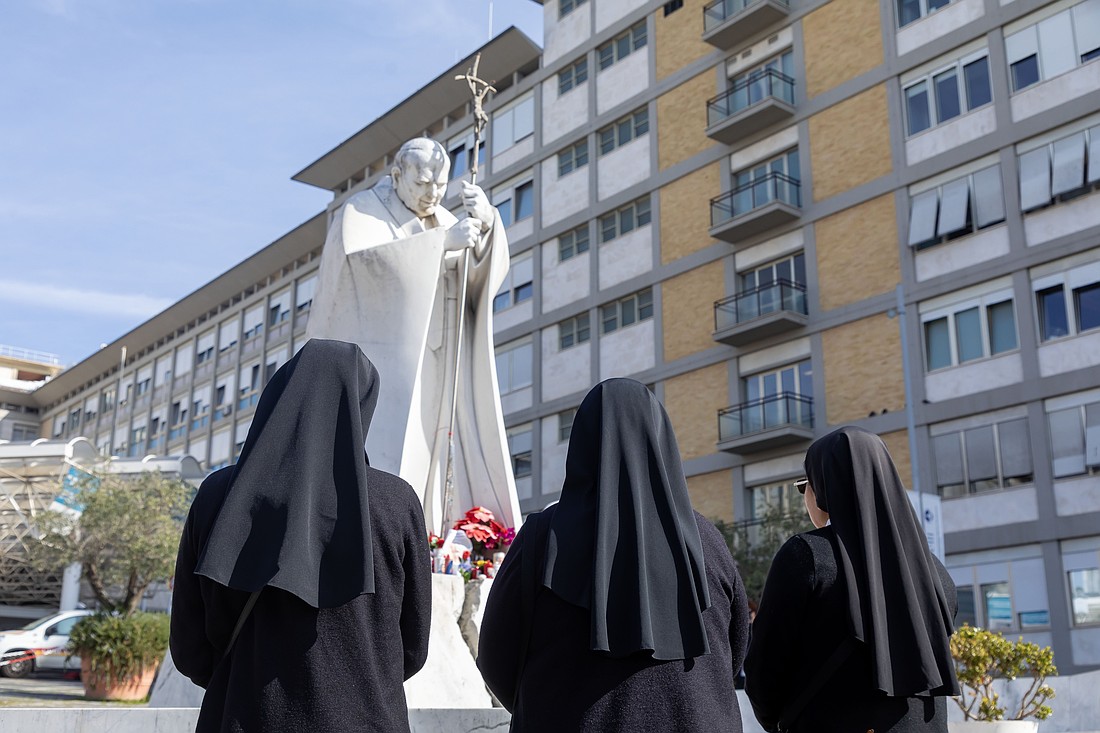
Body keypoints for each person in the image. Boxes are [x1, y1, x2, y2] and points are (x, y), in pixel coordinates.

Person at [170, 339, 431, 732]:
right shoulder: (396, 502)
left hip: (242, 718)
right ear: (361, 407)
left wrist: (245, 684)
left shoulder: (217, 495)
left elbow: (190, 646)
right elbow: (413, 645)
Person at [477, 378, 751, 731]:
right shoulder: (707, 541)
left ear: (584, 444)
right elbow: (735, 648)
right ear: (662, 441)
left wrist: (547, 704)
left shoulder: (543, 538)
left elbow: (496, 657)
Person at [306, 136, 520, 535]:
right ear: (398, 174)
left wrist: (488, 229)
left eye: (440, 184)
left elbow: (474, 286)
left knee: (433, 466)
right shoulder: (362, 210)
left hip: (437, 361)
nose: (433, 193)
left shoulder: (442, 219)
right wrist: (440, 245)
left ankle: (428, 537)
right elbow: (361, 268)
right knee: (386, 463)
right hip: (385, 367)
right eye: (422, 183)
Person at [744, 426, 960, 733]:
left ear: (822, 487)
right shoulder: (935, 571)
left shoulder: (807, 556)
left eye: (803, 485)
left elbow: (765, 670)